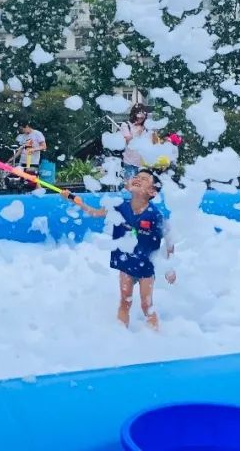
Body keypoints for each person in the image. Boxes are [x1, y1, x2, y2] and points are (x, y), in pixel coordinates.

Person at [62, 169, 173, 330]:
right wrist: (74, 200)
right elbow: (95, 213)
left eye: (143, 179)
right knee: (125, 301)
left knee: (146, 305)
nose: (137, 179)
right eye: (136, 176)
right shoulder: (119, 207)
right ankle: (121, 336)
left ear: (152, 191)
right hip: (126, 264)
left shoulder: (155, 215)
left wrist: (169, 266)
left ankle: (156, 337)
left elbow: (170, 239)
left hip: (145, 267)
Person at [120, 103, 158, 180]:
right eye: (138, 113)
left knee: (143, 190)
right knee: (130, 188)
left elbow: (154, 144)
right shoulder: (126, 125)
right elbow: (129, 142)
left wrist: (154, 133)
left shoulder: (147, 127)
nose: (141, 117)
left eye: (143, 114)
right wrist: (138, 132)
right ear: (134, 113)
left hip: (145, 165)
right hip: (130, 164)